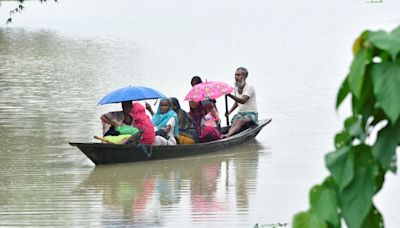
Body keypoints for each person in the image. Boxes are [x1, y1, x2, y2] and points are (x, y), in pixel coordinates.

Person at [223, 67, 258, 138]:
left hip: (251, 114)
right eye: (235, 75)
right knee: (235, 121)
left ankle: (228, 135)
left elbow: (243, 101)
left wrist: (229, 95)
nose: (236, 77)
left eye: (239, 75)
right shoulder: (236, 88)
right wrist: (230, 111)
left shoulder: (249, 87)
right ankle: (229, 134)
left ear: (244, 76)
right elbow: (237, 102)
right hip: (240, 113)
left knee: (240, 121)